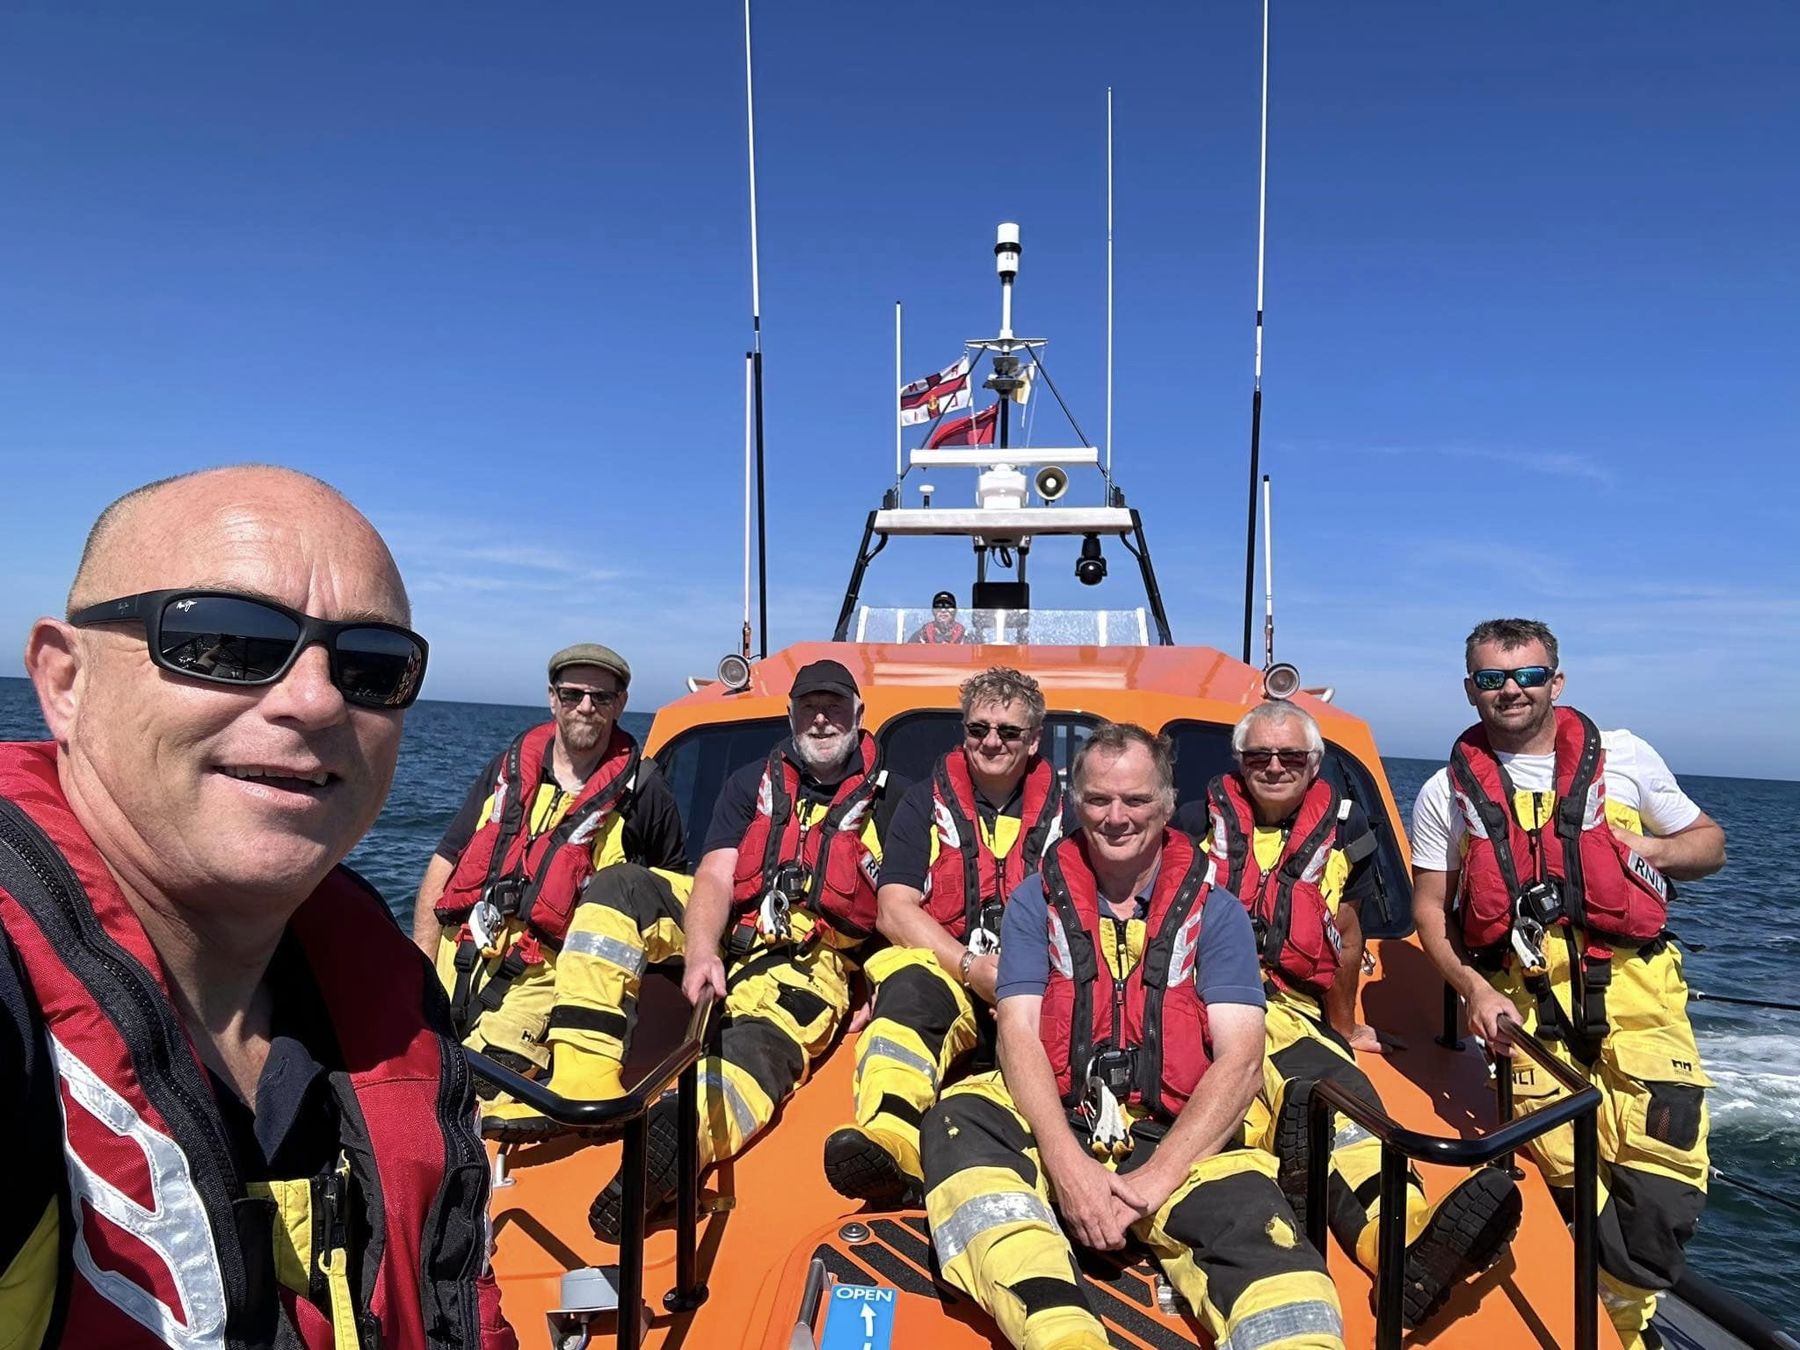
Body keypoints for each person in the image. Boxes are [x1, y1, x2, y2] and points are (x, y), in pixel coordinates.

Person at [0, 466, 514, 1347]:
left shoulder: (379, 987)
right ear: (65, 680)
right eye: (226, 640)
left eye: (372, 665)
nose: (317, 699)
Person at [920, 722, 1344, 1350]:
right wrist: (1067, 1164)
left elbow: (1241, 1061)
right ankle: (1062, 1333)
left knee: (1284, 1279)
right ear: (1075, 803)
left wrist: (1154, 1181)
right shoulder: (1036, 902)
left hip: (1173, 1132)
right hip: (1057, 1117)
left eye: (1136, 800)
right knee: (958, 1122)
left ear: (1167, 807)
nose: (1116, 817)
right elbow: (1018, 1034)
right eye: (1098, 800)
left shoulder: (1217, 911)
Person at [1411, 618, 1726, 1350]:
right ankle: (1602, 1333)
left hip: (1638, 1006)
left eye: (1526, 674)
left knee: (1663, 1195)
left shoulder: (1625, 757)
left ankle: (1623, 1323)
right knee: (1566, 1186)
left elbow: (1709, 844)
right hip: (1525, 1015)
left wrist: (1650, 847)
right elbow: (1431, 908)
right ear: (1471, 690)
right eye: (1492, 679)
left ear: (1556, 680)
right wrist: (1471, 989)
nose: (1510, 690)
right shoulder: (1444, 793)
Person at [1181, 701, 1520, 1329]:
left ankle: (1406, 1240)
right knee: (1236, 1103)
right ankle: (1304, 1225)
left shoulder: (1346, 831)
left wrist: (1343, 1027)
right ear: (1239, 763)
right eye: (1259, 756)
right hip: (1193, 1001)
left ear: (1315, 764)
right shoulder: (1189, 822)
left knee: (1344, 1095)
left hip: (1285, 1007)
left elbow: (1346, 931)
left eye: (1290, 756)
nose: (1274, 767)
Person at [580, 659, 904, 1241]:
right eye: (809, 707)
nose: (821, 719)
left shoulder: (896, 802)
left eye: (834, 707)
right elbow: (715, 874)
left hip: (811, 955)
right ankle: (584, 1083)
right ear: (791, 714)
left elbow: (905, 907)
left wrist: (878, 983)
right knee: (619, 886)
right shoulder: (750, 783)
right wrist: (703, 950)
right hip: (731, 925)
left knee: (761, 1039)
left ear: (858, 714)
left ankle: (678, 1139)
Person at [411, 641, 689, 1140]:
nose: (586, 706)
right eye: (573, 693)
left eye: (601, 697)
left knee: (465, 1102)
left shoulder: (644, 791)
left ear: (621, 704)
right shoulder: (506, 770)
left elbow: (667, 895)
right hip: (458, 962)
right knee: (394, 1074)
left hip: (543, 982)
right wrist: (418, 964)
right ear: (552, 698)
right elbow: (447, 858)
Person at [823, 666, 1064, 1205]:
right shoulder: (922, 804)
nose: (991, 742)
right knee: (908, 983)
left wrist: (1023, 983)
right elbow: (894, 908)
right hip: (951, 974)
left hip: (1039, 987)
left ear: (1035, 740)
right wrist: (973, 970)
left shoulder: (1073, 815)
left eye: (1008, 732)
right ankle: (891, 1139)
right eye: (978, 729)